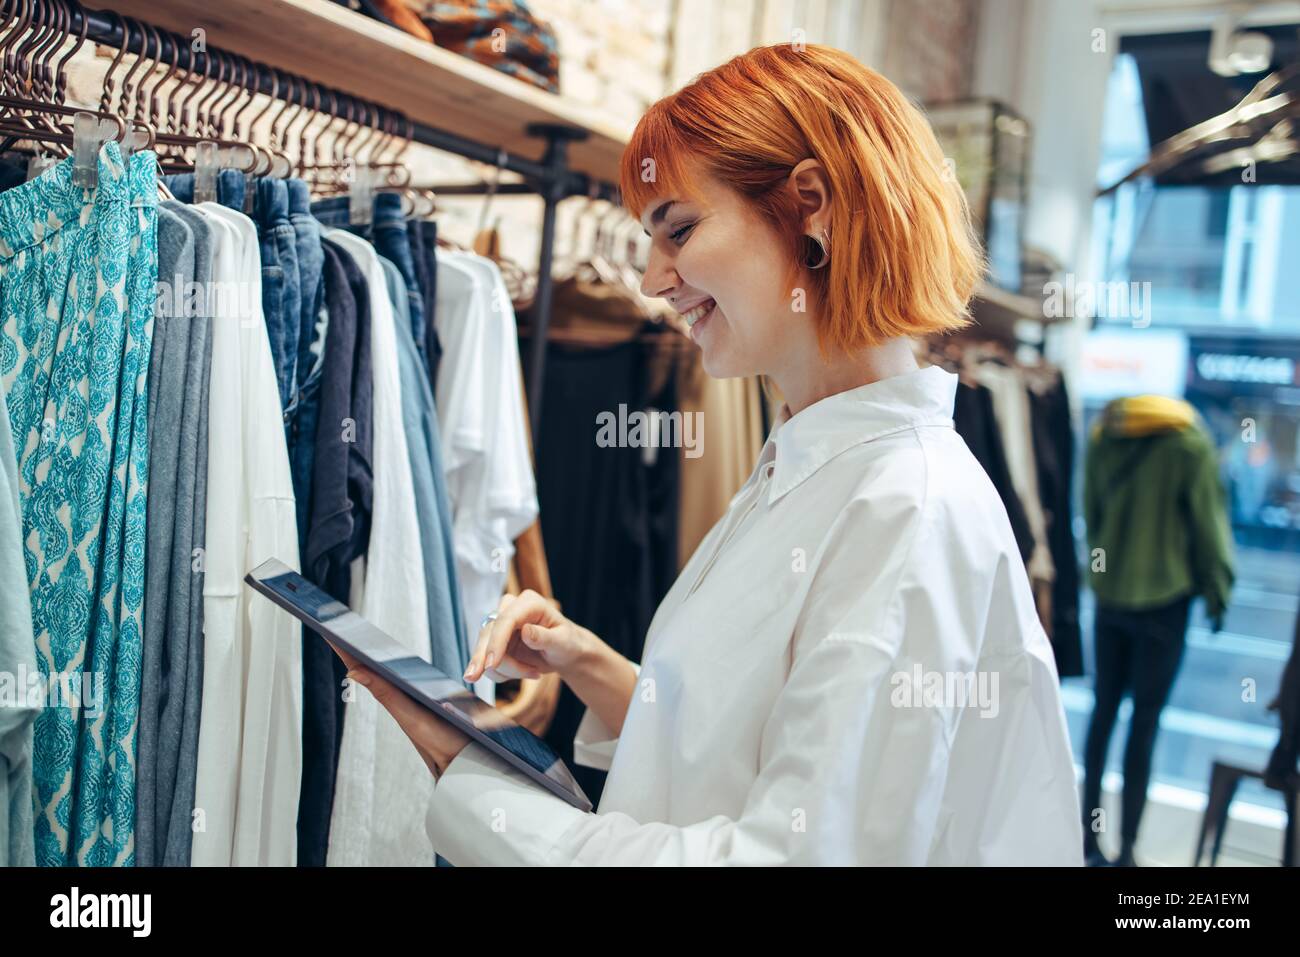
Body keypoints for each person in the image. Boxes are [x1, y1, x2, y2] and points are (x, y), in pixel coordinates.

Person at [335, 43, 1082, 865]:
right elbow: (746, 748)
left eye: (680, 229)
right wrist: (589, 663)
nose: (656, 279)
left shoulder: (905, 509)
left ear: (812, 209)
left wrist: (467, 780)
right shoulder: (811, 461)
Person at [1081, 395, 1235, 866]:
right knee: (1144, 725)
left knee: (1102, 715)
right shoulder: (1191, 446)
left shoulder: (1104, 438)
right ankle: (1128, 848)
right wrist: (1217, 591)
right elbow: (1210, 528)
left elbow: (1090, 512)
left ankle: (1088, 841)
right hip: (1165, 603)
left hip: (1110, 599)